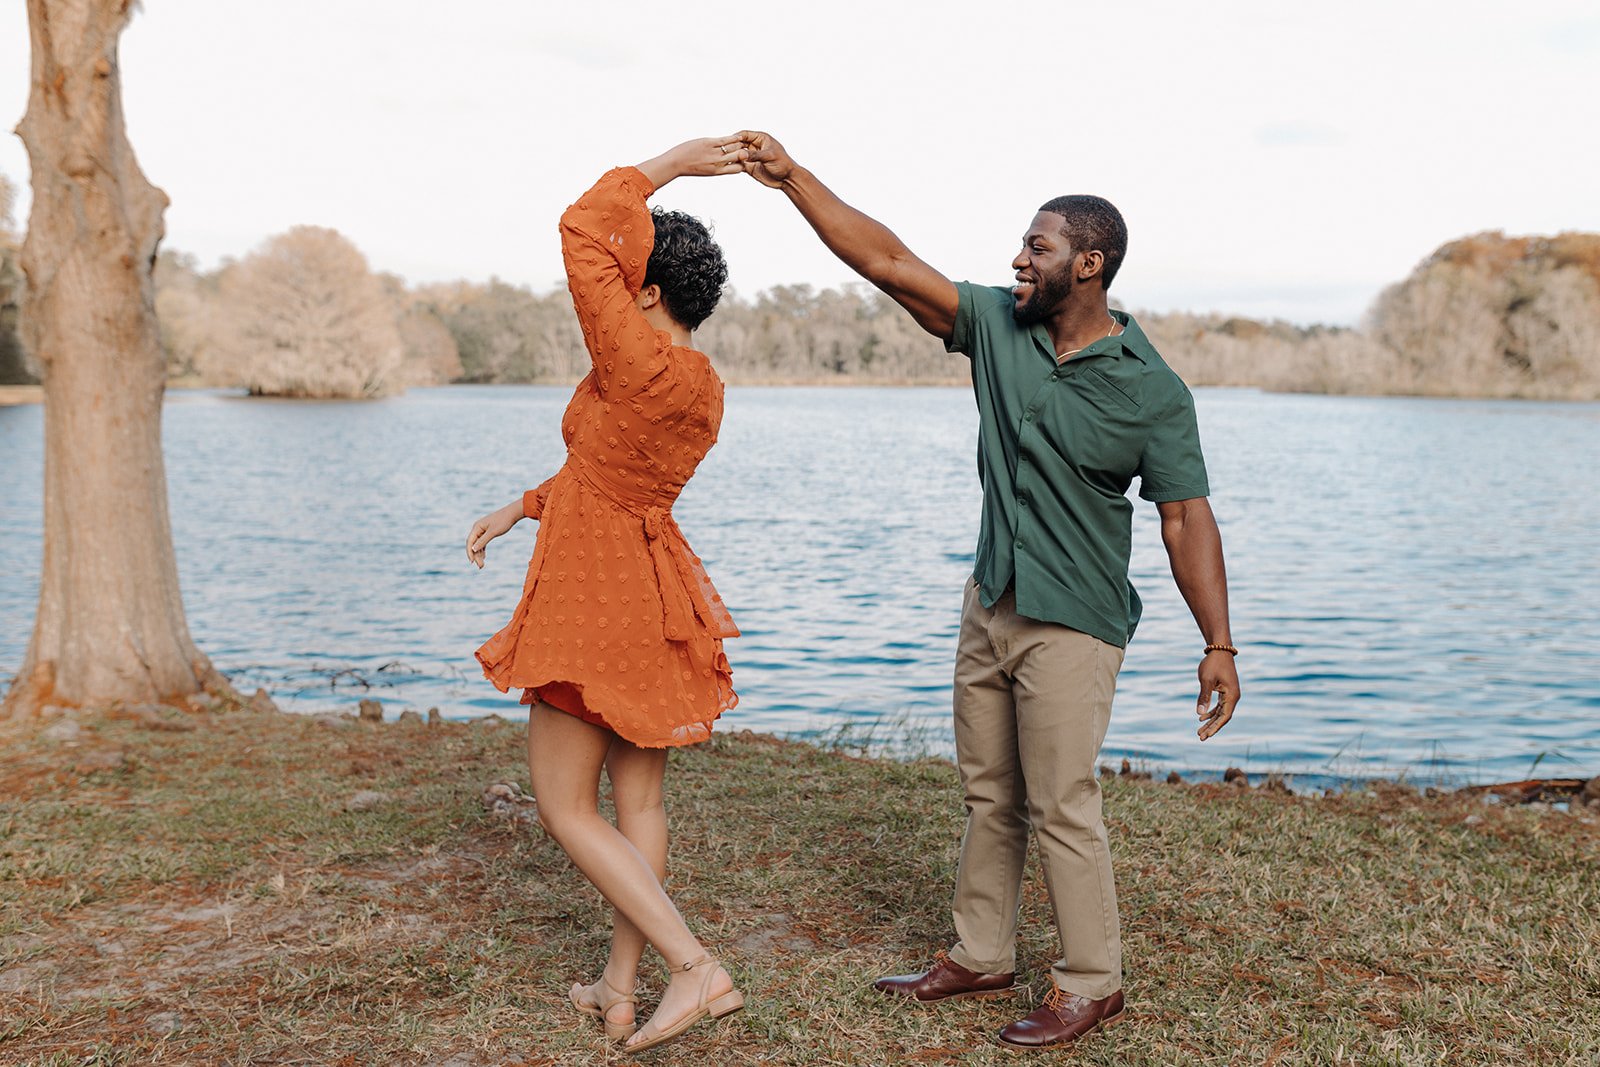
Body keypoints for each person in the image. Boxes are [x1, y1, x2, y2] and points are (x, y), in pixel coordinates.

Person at [738, 130, 1241, 1051]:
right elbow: (886, 261)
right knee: (988, 792)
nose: (1019, 256)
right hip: (992, 601)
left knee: (1062, 803)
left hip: (1075, 624)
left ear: (1088, 265)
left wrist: (1219, 644)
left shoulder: (1153, 391)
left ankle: (1092, 982)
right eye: (1023, 242)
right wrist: (791, 180)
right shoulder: (998, 328)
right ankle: (981, 952)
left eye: (1038, 246)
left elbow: (1186, 519)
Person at [466, 136, 749, 1053]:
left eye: (632, 277)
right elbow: (614, 476)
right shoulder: (703, 389)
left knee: (563, 803)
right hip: (649, 585)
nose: (615, 286)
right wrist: (522, 504)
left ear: (653, 293)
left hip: (593, 594)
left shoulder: (632, 357)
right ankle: (619, 989)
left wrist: (667, 164)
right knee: (639, 807)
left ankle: (693, 966)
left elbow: (584, 225)